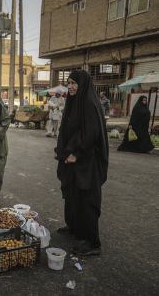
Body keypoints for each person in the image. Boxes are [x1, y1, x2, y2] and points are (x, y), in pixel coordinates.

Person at [56, 70, 109, 256]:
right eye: (69, 82)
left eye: (74, 83)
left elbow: (91, 133)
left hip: (87, 162)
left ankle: (92, 243)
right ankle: (75, 228)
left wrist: (76, 153)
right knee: (72, 196)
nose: (70, 86)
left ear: (83, 84)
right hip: (72, 160)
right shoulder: (74, 101)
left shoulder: (88, 102)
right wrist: (63, 151)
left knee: (87, 200)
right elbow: (68, 129)